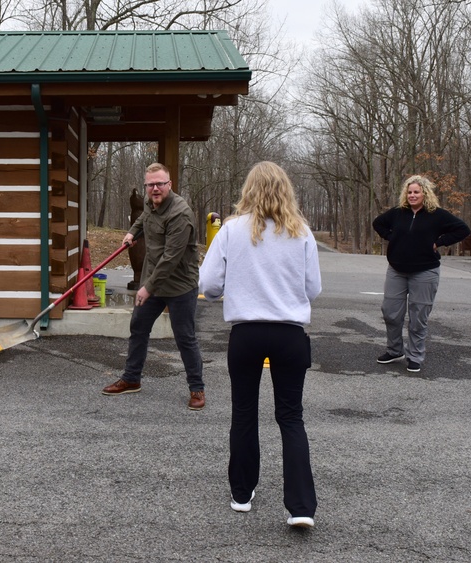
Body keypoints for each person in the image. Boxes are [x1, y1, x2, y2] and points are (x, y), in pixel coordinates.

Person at [199, 161, 322, 528]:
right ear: (286, 190)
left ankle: (241, 492)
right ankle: (300, 506)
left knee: (244, 411)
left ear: (248, 190)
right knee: (290, 416)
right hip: (289, 334)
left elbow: (209, 285)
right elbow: (313, 289)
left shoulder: (231, 231)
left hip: (247, 333)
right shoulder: (301, 232)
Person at [101, 162, 206, 410]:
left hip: (179, 285)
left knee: (184, 337)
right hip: (154, 282)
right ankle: (131, 378)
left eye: (160, 184)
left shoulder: (180, 214)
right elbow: (144, 218)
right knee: (138, 327)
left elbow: (171, 259)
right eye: (151, 185)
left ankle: (197, 388)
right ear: (146, 186)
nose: (155, 189)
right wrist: (132, 233)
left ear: (169, 184)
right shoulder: (151, 203)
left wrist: (146, 287)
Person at [372, 174, 470, 373]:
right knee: (390, 312)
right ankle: (394, 350)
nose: (412, 195)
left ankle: (415, 355)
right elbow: (378, 223)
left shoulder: (438, 215)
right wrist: (393, 237)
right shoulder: (398, 213)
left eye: (416, 192)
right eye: (409, 192)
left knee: (418, 317)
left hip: (425, 272)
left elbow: (463, 229)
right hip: (397, 270)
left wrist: (439, 242)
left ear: (425, 193)